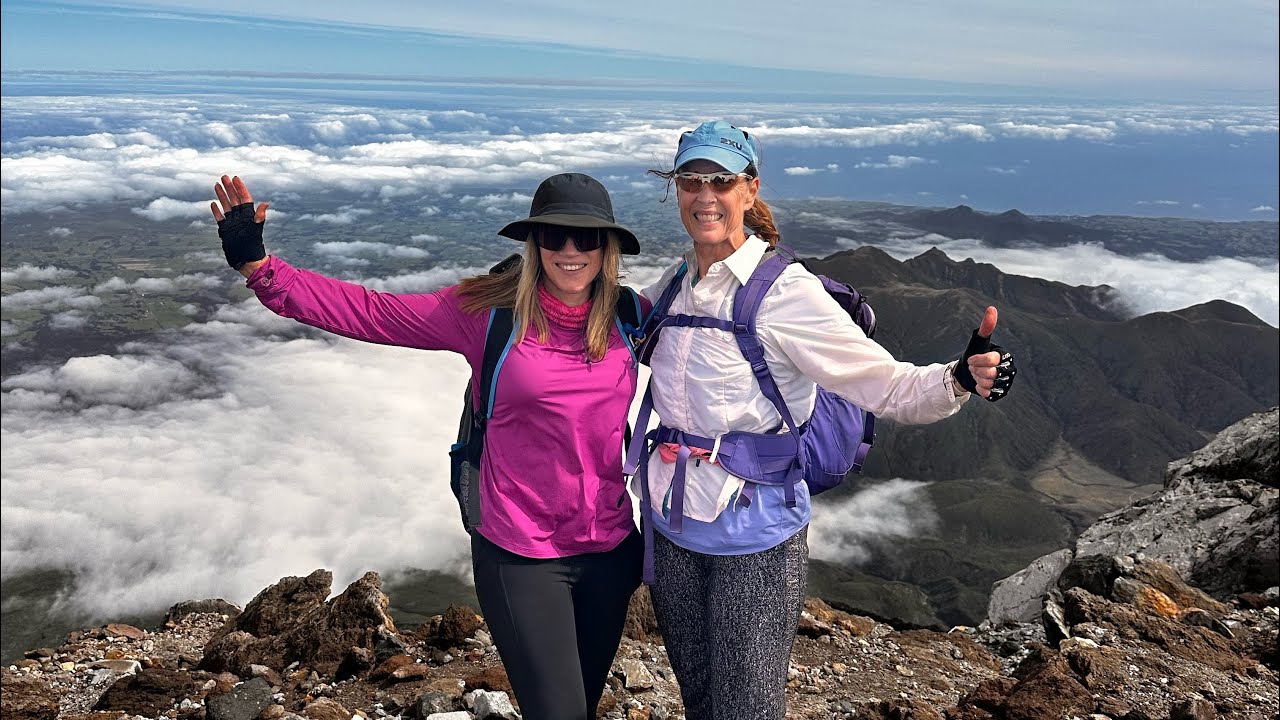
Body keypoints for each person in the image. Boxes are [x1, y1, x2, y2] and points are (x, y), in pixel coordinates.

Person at [211, 172, 649, 719]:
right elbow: (371, 312)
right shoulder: (488, 313)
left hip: (609, 549)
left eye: (586, 239)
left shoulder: (631, 318)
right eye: (552, 236)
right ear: (532, 244)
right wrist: (259, 267)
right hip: (521, 551)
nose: (569, 250)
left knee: (578, 705)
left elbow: (717, 346)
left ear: (607, 250)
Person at [630, 121, 1017, 718]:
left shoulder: (785, 293)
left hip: (754, 535)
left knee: (748, 709)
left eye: (722, 181)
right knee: (700, 698)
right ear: (675, 189)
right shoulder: (678, 283)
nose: (705, 195)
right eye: (691, 181)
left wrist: (959, 377)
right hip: (673, 524)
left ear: (749, 189)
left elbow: (885, 385)